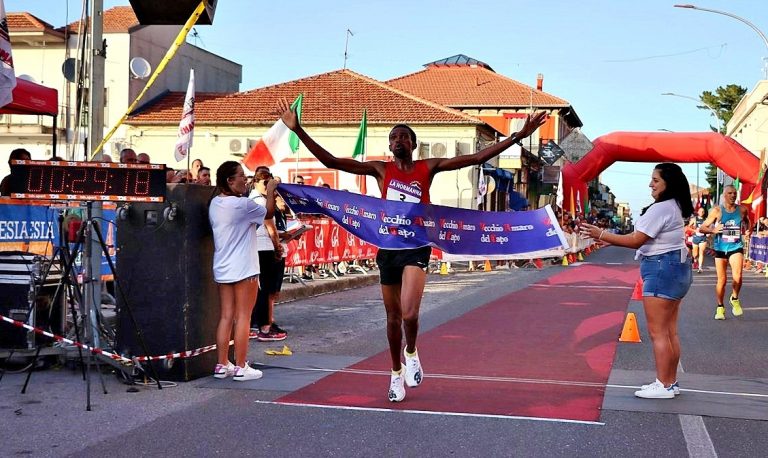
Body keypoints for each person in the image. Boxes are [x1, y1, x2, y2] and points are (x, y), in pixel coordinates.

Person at [278, 98, 546, 402]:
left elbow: (475, 157)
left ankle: (412, 350)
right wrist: (298, 129)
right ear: (390, 145)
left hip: (416, 244)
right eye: (393, 137)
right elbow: (332, 163)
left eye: (403, 136)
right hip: (387, 246)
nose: (397, 140)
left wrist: (517, 137)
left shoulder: (426, 167)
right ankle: (395, 373)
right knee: (392, 317)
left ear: (414, 144)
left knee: (408, 312)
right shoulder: (380, 169)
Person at [580, 163, 693, 399]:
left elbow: (635, 240)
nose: (650, 184)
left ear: (667, 184)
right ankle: (669, 383)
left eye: (655, 180)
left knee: (658, 333)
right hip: (675, 267)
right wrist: (607, 237)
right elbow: (639, 239)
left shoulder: (661, 208)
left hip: (661, 269)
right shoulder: (674, 207)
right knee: (670, 332)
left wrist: (599, 234)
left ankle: (663, 385)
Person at [209, 161, 277, 381]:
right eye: (240, 176)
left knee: (226, 316)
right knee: (243, 317)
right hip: (244, 267)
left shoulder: (215, 203)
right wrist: (271, 191)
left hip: (222, 265)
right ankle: (240, 366)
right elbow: (268, 212)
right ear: (229, 181)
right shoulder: (243, 205)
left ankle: (222, 364)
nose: (245, 179)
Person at [698, 184, 749, 320]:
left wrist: (748, 230)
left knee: (738, 276)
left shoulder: (742, 210)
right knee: (722, 280)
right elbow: (702, 228)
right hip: (720, 249)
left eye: (734, 193)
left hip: (735, 246)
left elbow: (747, 222)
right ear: (724, 195)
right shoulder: (716, 211)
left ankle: (734, 298)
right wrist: (713, 230)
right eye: (730, 193)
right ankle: (720, 306)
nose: (733, 195)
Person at [248, 170, 286, 341]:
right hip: (263, 247)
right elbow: (269, 222)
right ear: (255, 182)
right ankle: (264, 327)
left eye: (269, 183)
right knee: (266, 288)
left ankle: (257, 324)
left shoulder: (253, 200)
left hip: (257, 247)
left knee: (260, 289)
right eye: (265, 183)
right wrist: (277, 246)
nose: (267, 186)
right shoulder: (259, 201)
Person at [691, 207, 708, 273]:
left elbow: (709, 227)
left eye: (703, 211)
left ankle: (700, 267)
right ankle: (695, 260)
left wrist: (708, 232)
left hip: (703, 238)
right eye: (700, 211)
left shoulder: (706, 220)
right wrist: (694, 230)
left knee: (701, 253)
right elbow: (688, 227)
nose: (702, 212)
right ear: (698, 212)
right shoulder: (694, 219)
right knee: (695, 254)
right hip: (695, 237)